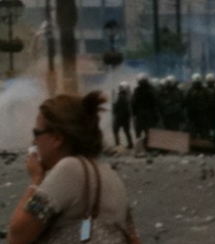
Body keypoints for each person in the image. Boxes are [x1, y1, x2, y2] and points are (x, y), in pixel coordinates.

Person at [8, 91, 141, 244]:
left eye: (37, 133)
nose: (34, 141)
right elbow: (132, 236)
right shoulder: (110, 173)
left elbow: (17, 236)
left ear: (57, 138)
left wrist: (36, 179)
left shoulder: (69, 169)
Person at [131, 73, 159, 140]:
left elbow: (134, 102)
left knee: (139, 129)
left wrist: (134, 112)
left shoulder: (137, 90)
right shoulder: (151, 89)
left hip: (140, 112)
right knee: (149, 129)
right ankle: (149, 142)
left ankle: (140, 142)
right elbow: (155, 101)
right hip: (150, 112)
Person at [184, 73, 211, 139]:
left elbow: (186, 102)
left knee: (199, 132)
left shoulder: (191, 91)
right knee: (200, 132)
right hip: (198, 115)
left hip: (199, 115)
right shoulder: (204, 90)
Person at [112, 81, 134, 149]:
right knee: (127, 131)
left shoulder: (120, 97)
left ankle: (118, 144)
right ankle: (130, 144)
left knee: (115, 130)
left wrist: (114, 109)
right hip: (126, 118)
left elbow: (116, 108)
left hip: (119, 117)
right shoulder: (129, 96)